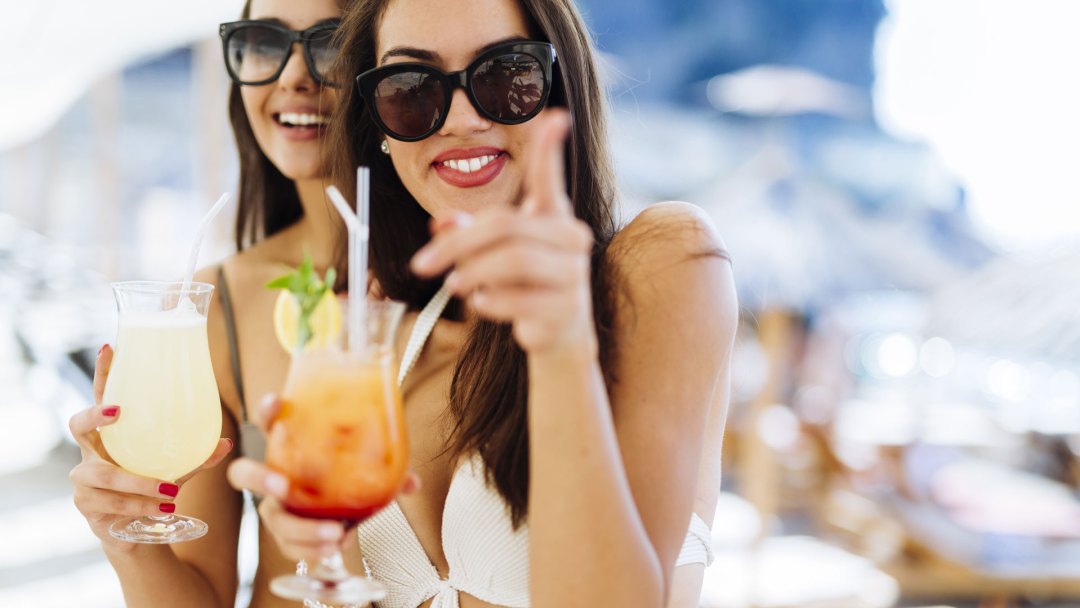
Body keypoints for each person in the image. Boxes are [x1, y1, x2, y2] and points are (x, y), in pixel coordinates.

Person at [226, 0, 737, 607]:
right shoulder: (381, 342)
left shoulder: (663, 262)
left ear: (560, 92)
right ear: (382, 130)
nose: (461, 118)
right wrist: (321, 561)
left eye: (506, 74)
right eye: (410, 87)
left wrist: (560, 348)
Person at [67, 1, 358, 606]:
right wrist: (127, 539)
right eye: (262, 41)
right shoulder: (212, 307)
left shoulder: (470, 288)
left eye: (331, 42)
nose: (292, 75)